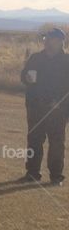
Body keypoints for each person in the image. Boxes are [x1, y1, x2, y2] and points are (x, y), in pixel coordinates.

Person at [19, 28, 69, 185]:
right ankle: (32, 173)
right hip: (35, 107)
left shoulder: (66, 62)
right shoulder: (35, 58)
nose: (46, 41)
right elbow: (24, 76)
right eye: (46, 38)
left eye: (51, 39)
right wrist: (26, 77)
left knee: (56, 142)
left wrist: (60, 103)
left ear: (61, 41)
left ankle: (55, 176)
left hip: (57, 109)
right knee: (34, 140)